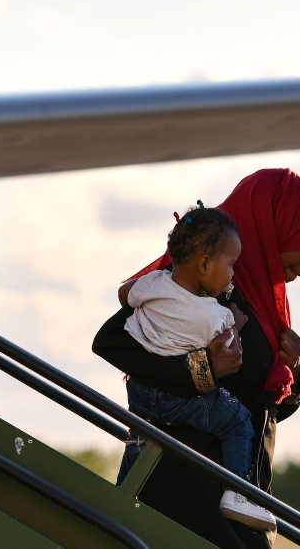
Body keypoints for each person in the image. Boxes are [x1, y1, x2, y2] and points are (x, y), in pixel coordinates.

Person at [93, 168, 300, 549]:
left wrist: (290, 370)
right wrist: (201, 368)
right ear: (272, 227)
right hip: (186, 489)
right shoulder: (189, 281)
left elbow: (259, 406)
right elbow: (111, 343)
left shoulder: (261, 301)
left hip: (239, 497)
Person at [119, 205, 275, 530]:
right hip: (177, 400)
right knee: (237, 421)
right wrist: (239, 319)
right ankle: (237, 493)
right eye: (231, 265)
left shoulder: (154, 284)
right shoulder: (212, 315)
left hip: (140, 396)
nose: (234, 274)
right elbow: (230, 351)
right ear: (204, 264)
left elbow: (125, 292)